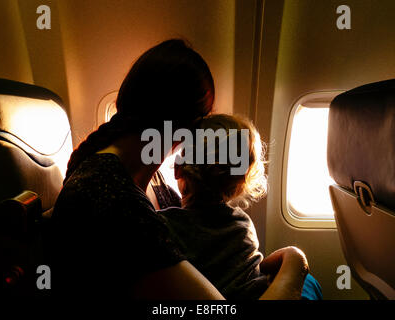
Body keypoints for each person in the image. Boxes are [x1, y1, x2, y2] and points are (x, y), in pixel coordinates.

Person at [46, 39, 309, 299]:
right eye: (201, 121)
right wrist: (296, 262)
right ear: (186, 124)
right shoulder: (109, 196)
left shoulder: (151, 180)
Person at [158, 114, 322, 300]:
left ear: (178, 169)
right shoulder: (242, 223)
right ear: (240, 181)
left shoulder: (163, 225)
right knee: (308, 282)